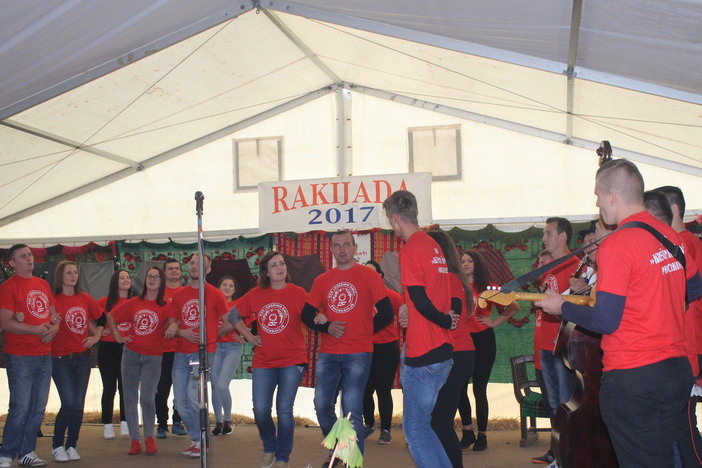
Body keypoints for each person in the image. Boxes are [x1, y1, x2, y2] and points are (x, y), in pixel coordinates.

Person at [537, 159, 702, 468]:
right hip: (675, 371)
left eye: (598, 196)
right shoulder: (669, 235)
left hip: (634, 377)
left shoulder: (618, 244)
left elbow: (605, 320)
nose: (598, 204)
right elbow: (694, 287)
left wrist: (562, 306)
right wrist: (657, 306)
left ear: (612, 196)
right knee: (662, 458)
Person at [301, 231, 393, 467]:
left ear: (354, 248)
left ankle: (352, 462)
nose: (341, 249)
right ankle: (339, 450)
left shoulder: (368, 276)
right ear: (331, 249)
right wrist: (327, 327)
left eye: (346, 245)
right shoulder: (322, 280)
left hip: (359, 352)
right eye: (337, 245)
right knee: (322, 406)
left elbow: (386, 312)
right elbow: (306, 315)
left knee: (351, 409)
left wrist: (364, 330)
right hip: (329, 352)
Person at [382, 191, 459, 468]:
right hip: (442, 350)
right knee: (425, 426)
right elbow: (437, 293)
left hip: (424, 352)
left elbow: (421, 300)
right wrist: (443, 319)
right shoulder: (433, 245)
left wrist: (443, 320)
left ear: (394, 218)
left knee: (414, 429)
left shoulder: (411, 249)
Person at [228, 251, 309, 468]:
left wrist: (321, 316)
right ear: (266, 272)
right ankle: (269, 447)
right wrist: (249, 337)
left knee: (284, 410)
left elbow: (311, 314)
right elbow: (233, 315)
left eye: (282, 264)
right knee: (260, 410)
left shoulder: (298, 293)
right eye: (274, 265)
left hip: (292, 360)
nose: (279, 268)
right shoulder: (256, 294)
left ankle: (283, 457)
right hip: (264, 361)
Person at [649, 187, 702, 467]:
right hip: (677, 345)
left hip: (685, 344)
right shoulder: (677, 242)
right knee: (674, 428)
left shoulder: (684, 243)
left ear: (673, 210)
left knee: (684, 429)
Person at [0, 244, 60, 468]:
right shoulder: (8, 287)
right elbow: (5, 323)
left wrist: (54, 329)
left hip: (44, 354)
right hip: (20, 356)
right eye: (23, 256)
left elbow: (54, 315)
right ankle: (6, 453)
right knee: (21, 406)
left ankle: (26, 451)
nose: (29, 258)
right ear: (12, 263)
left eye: (30, 254)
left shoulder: (42, 284)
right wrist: (35, 330)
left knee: (38, 407)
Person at [165, 254, 229, 458]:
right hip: (180, 352)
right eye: (192, 263)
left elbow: (230, 321)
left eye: (200, 264)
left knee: (194, 397)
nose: (194, 266)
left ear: (208, 270)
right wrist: (179, 330)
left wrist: (211, 337)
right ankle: (197, 439)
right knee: (180, 401)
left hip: (201, 351)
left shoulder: (215, 294)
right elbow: (170, 323)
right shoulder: (180, 295)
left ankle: (204, 440)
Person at [458, 249, 519, 452]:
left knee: (479, 389)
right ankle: (467, 431)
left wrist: (493, 322)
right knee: (460, 388)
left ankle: (482, 435)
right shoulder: (456, 286)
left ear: (477, 264)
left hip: (483, 340)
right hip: (462, 341)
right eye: (462, 261)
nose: (466, 264)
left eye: (469, 261)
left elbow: (514, 306)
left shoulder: (487, 288)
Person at [107, 266, 170, 456]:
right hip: (131, 354)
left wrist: (174, 325)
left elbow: (175, 320)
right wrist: (118, 337)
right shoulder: (134, 302)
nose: (152, 279)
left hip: (154, 356)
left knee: (148, 398)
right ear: (145, 280)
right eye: (149, 276)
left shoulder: (165, 305)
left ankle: (149, 436)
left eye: (156, 277)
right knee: (130, 397)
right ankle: (135, 439)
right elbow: (111, 316)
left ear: (161, 282)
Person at [426, 231, 475, 468]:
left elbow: (452, 318)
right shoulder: (443, 278)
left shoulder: (449, 279)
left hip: (456, 353)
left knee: (439, 420)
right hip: (451, 353)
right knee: (438, 420)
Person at [50, 260, 106, 463]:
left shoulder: (84, 298)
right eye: (68, 273)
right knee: (69, 402)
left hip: (83, 358)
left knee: (78, 404)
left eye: (75, 272)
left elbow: (102, 317)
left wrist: (96, 336)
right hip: (60, 358)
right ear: (60, 276)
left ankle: (72, 444)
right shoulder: (52, 299)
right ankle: (57, 445)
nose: (73, 276)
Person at [361, 260, 403, 445]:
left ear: (380, 276)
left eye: (373, 273)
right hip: (365, 349)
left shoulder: (390, 296)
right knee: (365, 390)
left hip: (387, 348)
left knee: (383, 390)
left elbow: (406, 313)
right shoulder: (359, 297)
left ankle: (386, 429)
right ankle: (368, 424)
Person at [97, 269, 134, 439]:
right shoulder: (104, 302)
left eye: (128, 277)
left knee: (125, 387)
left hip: (128, 348)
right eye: (122, 278)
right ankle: (107, 424)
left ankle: (125, 422)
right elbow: (90, 318)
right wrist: (97, 332)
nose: (126, 280)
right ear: (115, 282)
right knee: (109, 387)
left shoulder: (135, 301)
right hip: (108, 348)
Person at [155, 258, 186, 438]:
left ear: (181, 272)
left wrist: (176, 323)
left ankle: (177, 421)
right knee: (162, 388)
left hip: (182, 349)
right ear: (164, 273)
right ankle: (161, 424)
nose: (174, 271)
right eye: (170, 269)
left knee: (181, 388)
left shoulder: (186, 293)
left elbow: (191, 317)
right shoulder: (157, 293)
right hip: (161, 349)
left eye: (176, 268)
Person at [211, 275, 243, 436]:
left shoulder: (237, 306)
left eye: (231, 285)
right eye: (224, 285)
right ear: (218, 288)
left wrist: (245, 337)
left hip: (232, 348)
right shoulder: (212, 305)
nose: (227, 288)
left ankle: (228, 420)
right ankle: (218, 421)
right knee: (214, 385)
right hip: (215, 347)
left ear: (234, 290)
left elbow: (252, 323)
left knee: (222, 384)